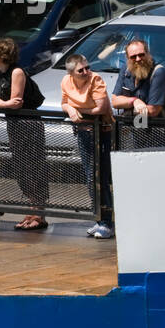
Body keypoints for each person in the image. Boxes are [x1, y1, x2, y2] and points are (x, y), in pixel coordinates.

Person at [0, 38, 49, 231]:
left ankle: (39, 213)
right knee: (21, 166)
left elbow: (17, 102)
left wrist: (4, 104)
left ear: (3, 56)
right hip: (13, 124)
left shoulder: (17, 72)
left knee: (34, 165)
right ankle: (30, 210)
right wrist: (6, 105)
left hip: (29, 124)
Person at [60, 53, 115, 239]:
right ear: (71, 74)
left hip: (103, 131)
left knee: (101, 177)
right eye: (80, 70)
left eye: (87, 67)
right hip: (84, 132)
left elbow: (101, 108)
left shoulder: (95, 79)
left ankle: (108, 222)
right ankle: (99, 219)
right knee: (90, 176)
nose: (86, 72)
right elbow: (64, 103)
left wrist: (78, 110)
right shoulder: (66, 81)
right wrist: (70, 108)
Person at [112, 38, 165, 122]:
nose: (138, 59)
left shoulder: (158, 73)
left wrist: (126, 105)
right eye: (133, 57)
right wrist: (134, 101)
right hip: (137, 127)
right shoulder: (126, 69)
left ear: (148, 54)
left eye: (141, 55)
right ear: (128, 58)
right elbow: (115, 101)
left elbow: (153, 110)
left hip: (159, 130)